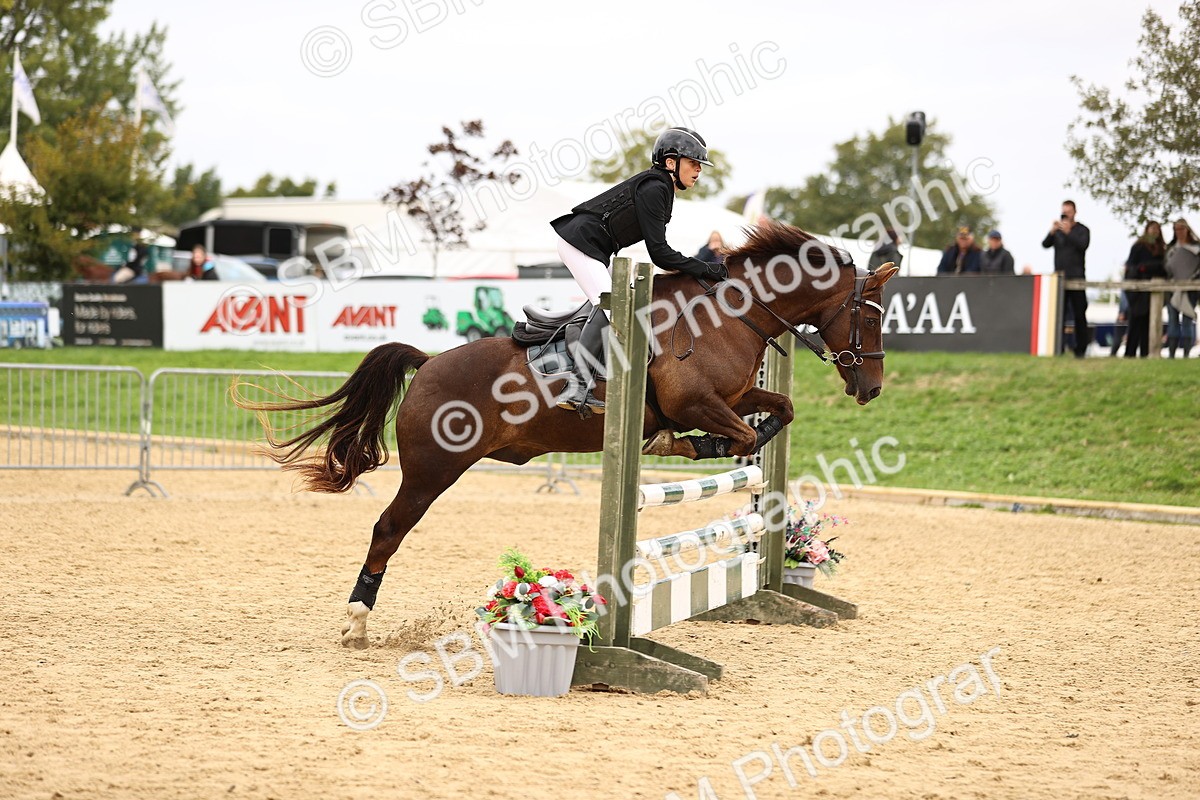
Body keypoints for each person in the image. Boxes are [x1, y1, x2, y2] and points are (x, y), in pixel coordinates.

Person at [549, 126, 726, 415]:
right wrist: (706, 268)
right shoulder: (656, 188)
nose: (698, 170)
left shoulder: (661, 187)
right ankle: (577, 386)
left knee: (613, 305)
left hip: (589, 245)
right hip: (579, 243)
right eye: (693, 163)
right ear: (671, 162)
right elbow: (660, 253)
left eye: (699, 165)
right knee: (614, 306)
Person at [1042, 200, 1091, 357]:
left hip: (1077, 278)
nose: (1065, 214)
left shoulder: (1083, 230)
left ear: (1074, 212)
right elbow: (1045, 244)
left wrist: (1069, 232)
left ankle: (1081, 349)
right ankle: (1058, 348)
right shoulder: (1058, 231)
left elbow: (1083, 245)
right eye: (1063, 211)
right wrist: (1052, 231)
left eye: (1068, 212)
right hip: (1060, 279)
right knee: (1059, 314)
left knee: (1079, 314)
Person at [1123, 221, 1167, 358]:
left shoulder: (1161, 250)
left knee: (1149, 325)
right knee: (1135, 324)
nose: (1154, 232)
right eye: (1152, 229)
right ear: (1146, 230)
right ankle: (1129, 354)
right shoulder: (1138, 247)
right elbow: (1130, 268)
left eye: (1156, 229)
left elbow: (1163, 269)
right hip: (1137, 292)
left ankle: (1146, 354)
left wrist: (1147, 267)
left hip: (1153, 292)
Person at [1164, 218, 1200, 358]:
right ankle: (1171, 353)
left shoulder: (1196, 247)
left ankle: (1186, 353)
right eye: (1176, 229)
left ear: (1187, 230)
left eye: (1181, 229)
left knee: (1187, 320)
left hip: (1190, 290)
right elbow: (1166, 267)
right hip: (1173, 289)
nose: (1179, 232)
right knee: (1172, 320)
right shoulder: (1171, 248)